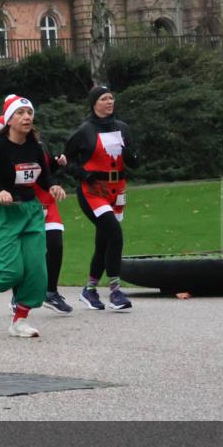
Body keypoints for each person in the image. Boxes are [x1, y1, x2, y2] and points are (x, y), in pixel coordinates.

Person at [0, 95, 67, 337]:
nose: (27, 117)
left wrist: (52, 185)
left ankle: (19, 320)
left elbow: (40, 175)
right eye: (20, 113)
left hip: (30, 211)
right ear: (9, 119)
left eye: (29, 112)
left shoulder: (35, 147)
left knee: (37, 270)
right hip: (2, 213)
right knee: (10, 271)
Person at [66, 85, 139, 311]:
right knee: (115, 235)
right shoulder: (85, 131)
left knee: (104, 240)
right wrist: (83, 174)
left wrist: (129, 154)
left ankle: (89, 290)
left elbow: (135, 162)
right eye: (104, 99)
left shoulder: (123, 128)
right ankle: (115, 291)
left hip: (118, 190)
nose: (109, 102)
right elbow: (66, 161)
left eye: (111, 98)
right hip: (93, 191)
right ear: (94, 103)